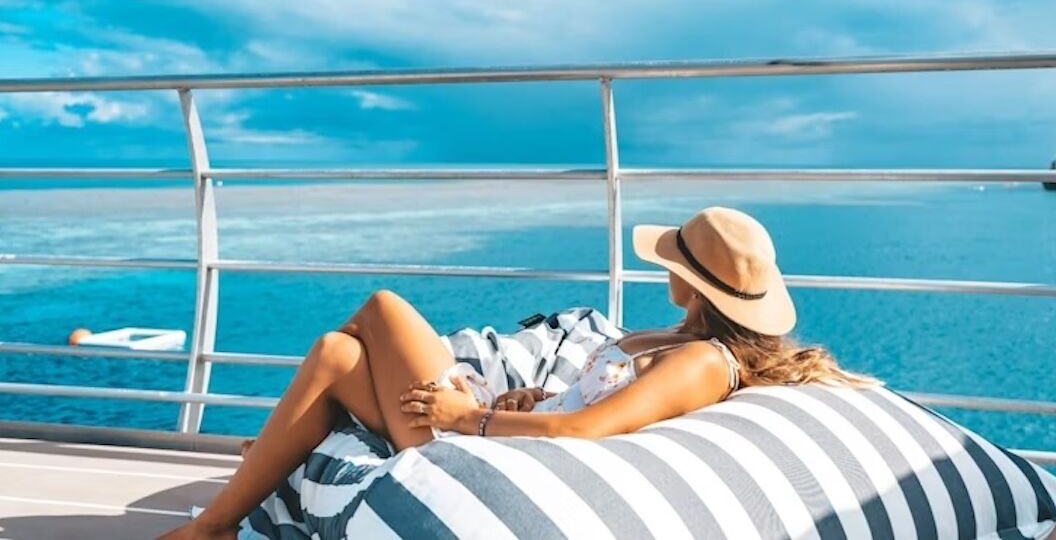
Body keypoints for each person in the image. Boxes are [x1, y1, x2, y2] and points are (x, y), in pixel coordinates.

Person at [161, 206, 873, 540]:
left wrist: (461, 418)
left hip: (476, 454)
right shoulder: (674, 336)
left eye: (674, 261)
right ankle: (222, 521)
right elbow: (574, 403)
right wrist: (530, 396)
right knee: (338, 354)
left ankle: (235, 504)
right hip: (500, 430)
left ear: (691, 280)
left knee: (379, 310)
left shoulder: (700, 361)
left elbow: (583, 429)